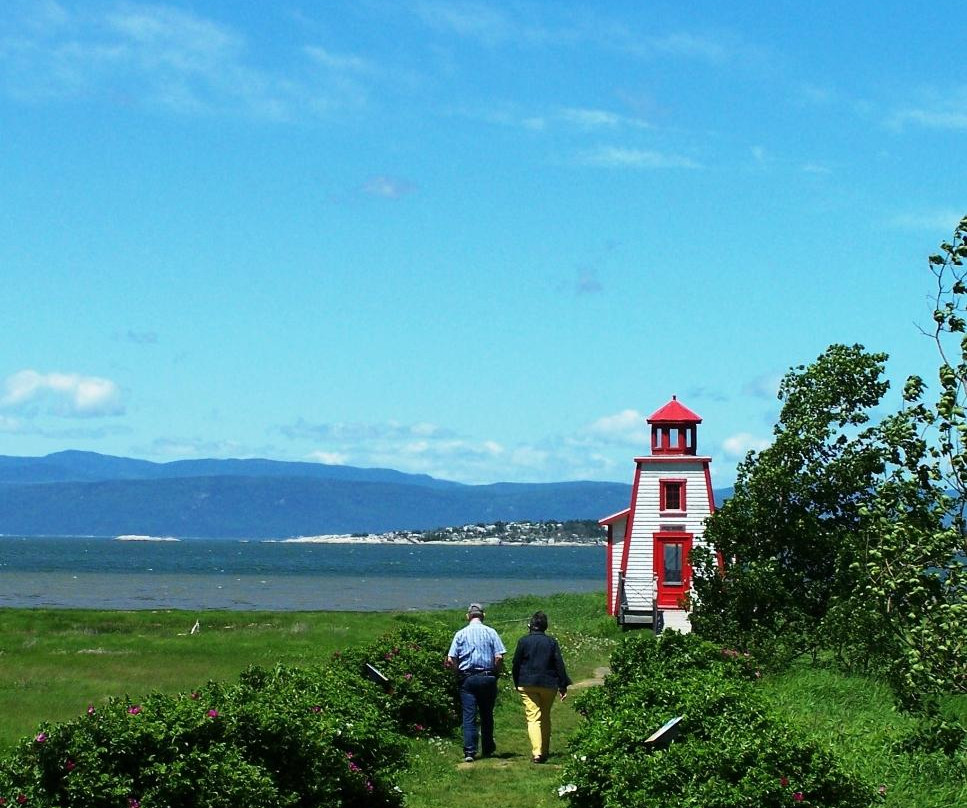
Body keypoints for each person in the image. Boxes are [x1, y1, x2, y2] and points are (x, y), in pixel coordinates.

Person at [445, 602, 507, 763]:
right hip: (487, 676)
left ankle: (470, 751)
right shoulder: (491, 632)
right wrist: (496, 672)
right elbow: (499, 656)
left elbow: (451, 659)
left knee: (469, 715)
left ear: (468, 616)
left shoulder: (460, 634)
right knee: (487, 714)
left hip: (467, 678)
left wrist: (457, 673)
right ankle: (487, 748)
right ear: (483, 616)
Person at [511, 610, 571, 763]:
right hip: (548, 684)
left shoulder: (523, 641)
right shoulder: (551, 642)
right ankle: (544, 750)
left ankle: (537, 753)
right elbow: (559, 664)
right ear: (545, 627)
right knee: (544, 717)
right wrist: (562, 685)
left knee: (533, 717)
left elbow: (516, 663)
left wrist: (516, 681)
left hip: (527, 683)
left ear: (530, 626)